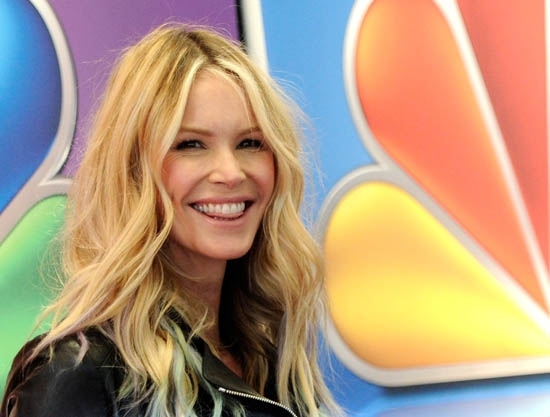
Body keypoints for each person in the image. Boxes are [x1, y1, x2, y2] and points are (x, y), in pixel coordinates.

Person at [0, 23, 343, 417]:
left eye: (250, 143)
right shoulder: (77, 375)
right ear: (132, 170)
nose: (231, 172)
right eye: (190, 144)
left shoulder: (274, 359)